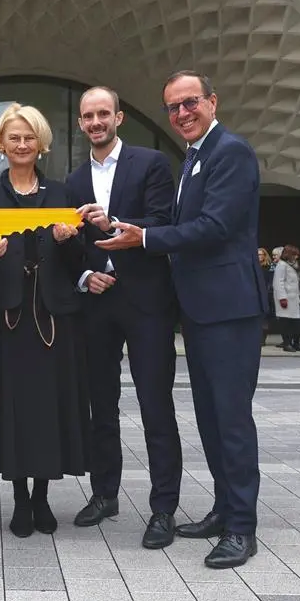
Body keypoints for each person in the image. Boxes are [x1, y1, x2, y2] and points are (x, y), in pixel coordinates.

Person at [97, 70, 268, 569]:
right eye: (173, 107)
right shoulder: (195, 157)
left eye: (190, 103)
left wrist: (143, 240)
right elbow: (178, 224)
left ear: (212, 102)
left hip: (229, 308)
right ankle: (224, 509)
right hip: (200, 310)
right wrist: (128, 228)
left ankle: (242, 528)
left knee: (232, 419)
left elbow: (214, 227)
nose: (181, 114)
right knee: (212, 419)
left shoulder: (230, 152)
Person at [0, 103, 89, 538]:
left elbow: (78, 258)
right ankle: (19, 497)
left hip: (52, 313)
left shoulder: (61, 194)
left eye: (29, 137)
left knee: (48, 406)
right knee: (10, 405)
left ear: (41, 144)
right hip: (6, 315)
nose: (22, 144)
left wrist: (68, 240)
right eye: (14, 137)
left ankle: (42, 497)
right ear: (1, 143)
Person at [65, 86, 183, 549]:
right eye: (87, 116)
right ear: (79, 124)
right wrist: (83, 275)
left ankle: (163, 509)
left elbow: (161, 223)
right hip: (98, 303)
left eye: (103, 114)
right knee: (101, 405)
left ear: (120, 117)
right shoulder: (73, 182)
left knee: (156, 406)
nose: (95, 122)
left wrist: (109, 222)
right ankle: (104, 494)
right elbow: (73, 250)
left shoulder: (151, 165)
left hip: (146, 300)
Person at [273, 245, 300, 352]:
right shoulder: (281, 265)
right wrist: (282, 298)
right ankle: (287, 344)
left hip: (295, 297)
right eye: (294, 254)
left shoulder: (294, 265)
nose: (296, 257)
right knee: (286, 322)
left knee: (298, 322)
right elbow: (278, 282)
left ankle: (296, 343)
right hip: (286, 298)